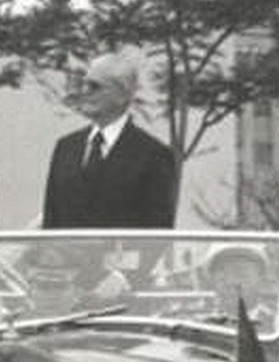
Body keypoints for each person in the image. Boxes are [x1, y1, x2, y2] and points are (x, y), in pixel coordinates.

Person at [41, 50, 177, 229]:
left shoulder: (153, 155)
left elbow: (157, 231)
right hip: (65, 257)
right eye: (83, 84)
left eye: (94, 86)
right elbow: (51, 220)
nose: (85, 91)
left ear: (122, 95)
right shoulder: (66, 148)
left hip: (120, 255)